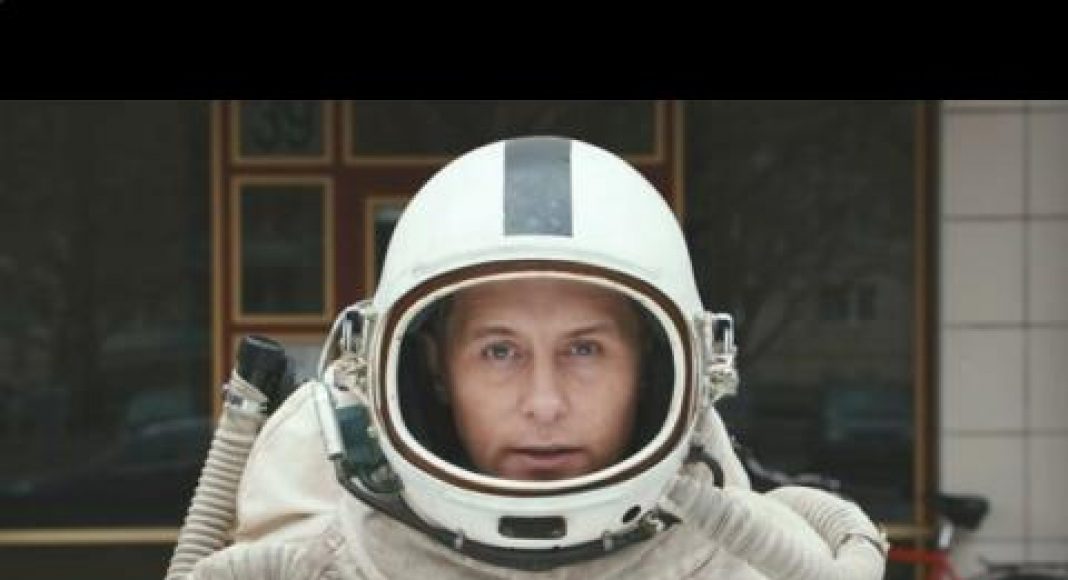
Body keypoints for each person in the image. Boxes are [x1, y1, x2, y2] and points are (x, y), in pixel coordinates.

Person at [174, 136, 886, 579]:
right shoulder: (305, 566)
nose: (544, 403)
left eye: (585, 348)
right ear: (431, 372)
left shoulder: (770, 564)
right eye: (499, 350)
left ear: (659, 368)